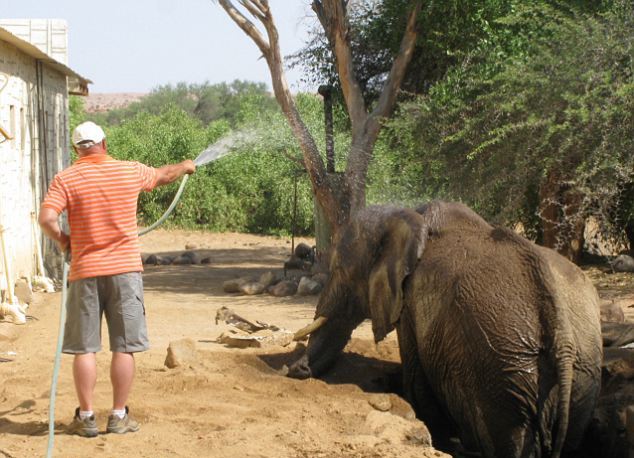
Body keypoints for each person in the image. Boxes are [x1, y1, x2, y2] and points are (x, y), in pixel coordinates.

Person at [39, 121, 195, 437]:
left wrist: (63, 240)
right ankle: (118, 415)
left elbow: (46, 218)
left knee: (85, 349)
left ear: (76, 150)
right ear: (104, 144)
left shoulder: (66, 178)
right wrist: (186, 166)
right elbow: (164, 175)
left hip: (84, 272)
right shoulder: (129, 170)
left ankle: (85, 418)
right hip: (125, 272)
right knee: (123, 346)